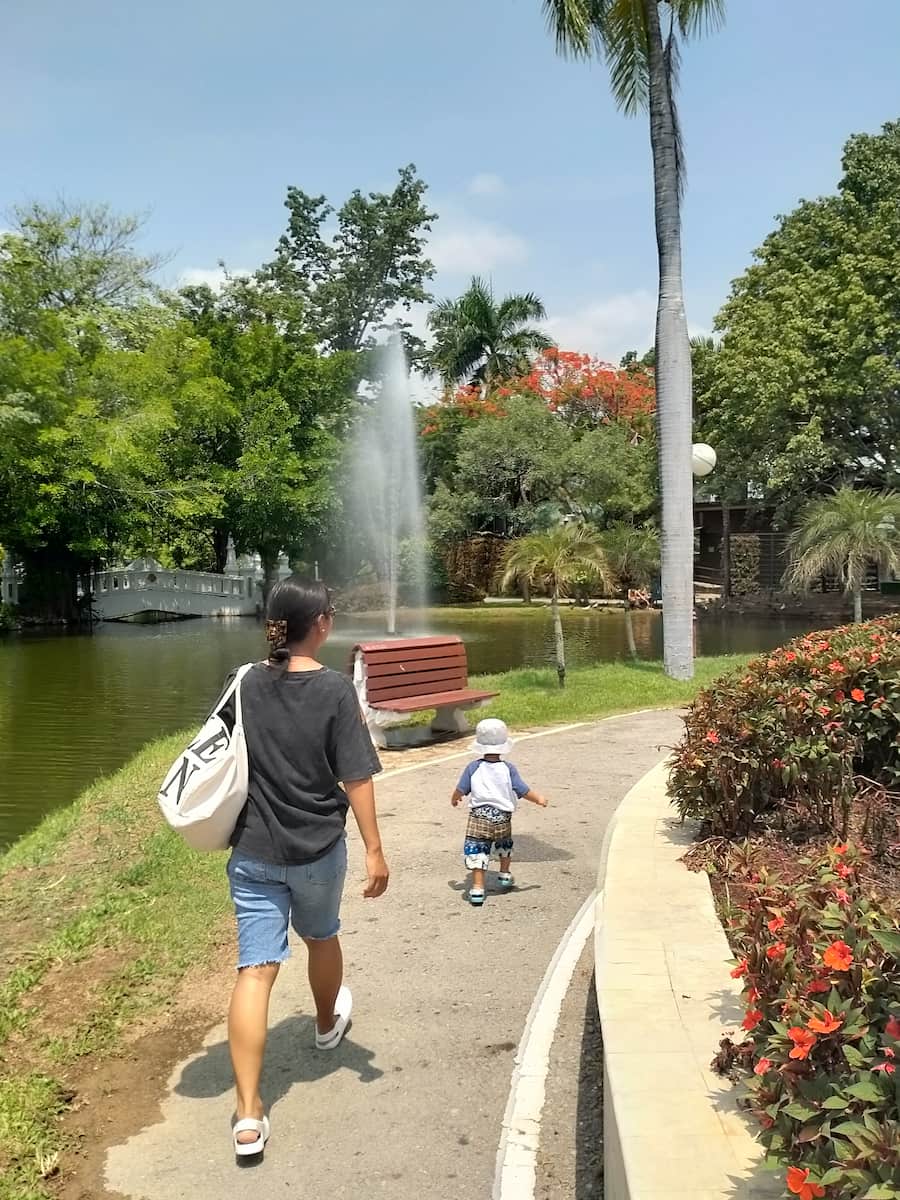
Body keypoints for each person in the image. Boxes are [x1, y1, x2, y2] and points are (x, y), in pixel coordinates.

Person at [221, 577, 389, 1157]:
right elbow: (357, 776)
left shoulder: (244, 682)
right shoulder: (336, 690)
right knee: (321, 936)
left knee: (255, 970)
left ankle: (247, 1115)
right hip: (318, 848)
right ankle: (325, 1027)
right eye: (332, 613)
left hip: (254, 851)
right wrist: (373, 848)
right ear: (319, 624)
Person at [450, 718, 547, 906]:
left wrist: (455, 798)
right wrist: (539, 799)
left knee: (477, 849)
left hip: (478, 817)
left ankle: (478, 888)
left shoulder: (473, 767)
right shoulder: (508, 768)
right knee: (504, 844)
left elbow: (461, 788)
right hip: (502, 817)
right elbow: (522, 790)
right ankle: (504, 873)